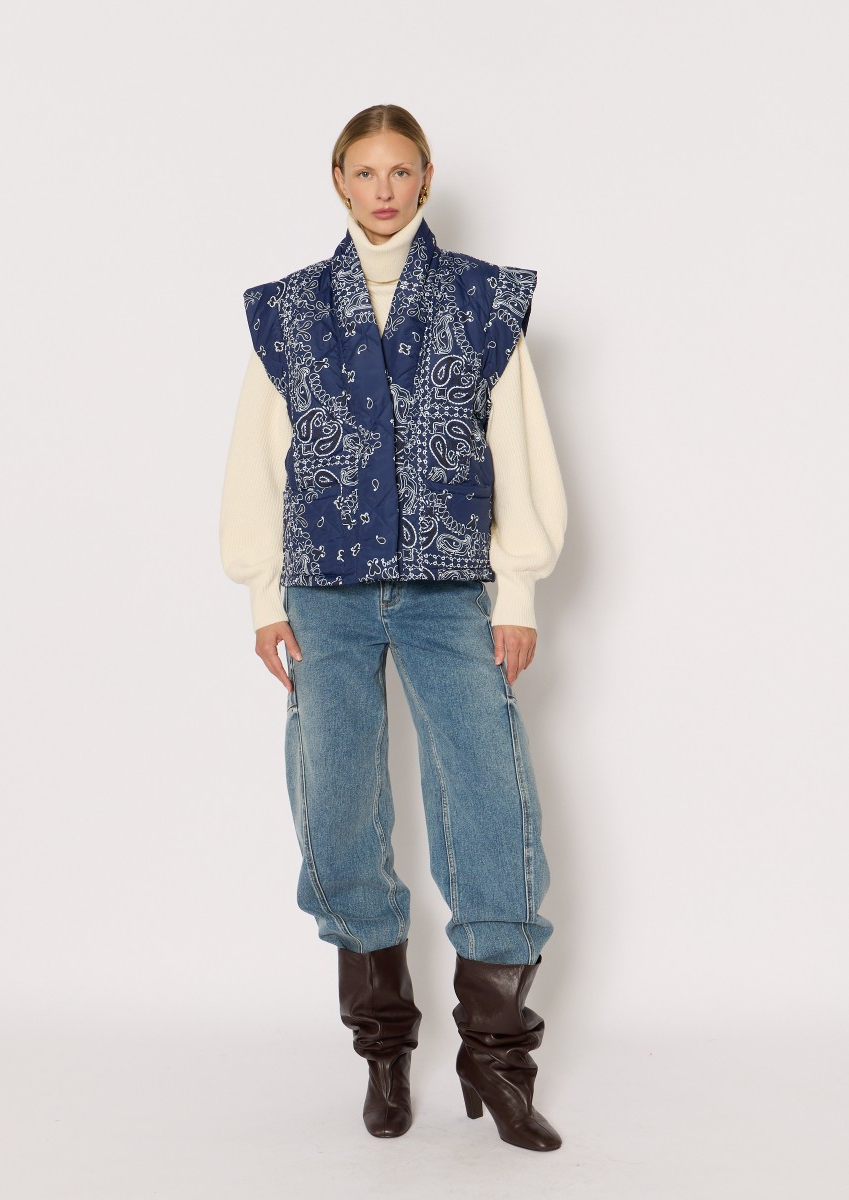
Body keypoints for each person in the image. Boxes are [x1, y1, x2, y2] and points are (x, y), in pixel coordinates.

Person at [220, 104, 567, 1152]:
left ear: (425, 178)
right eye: (364, 172)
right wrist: (263, 595)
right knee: (336, 809)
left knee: (491, 804)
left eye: (400, 171)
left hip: (448, 591)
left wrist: (518, 592)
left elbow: (519, 446)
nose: (383, 190)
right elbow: (257, 457)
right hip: (322, 597)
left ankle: (497, 1055)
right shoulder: (288, 310)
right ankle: (383, 1047)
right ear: (339, 180)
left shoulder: (481, 300)